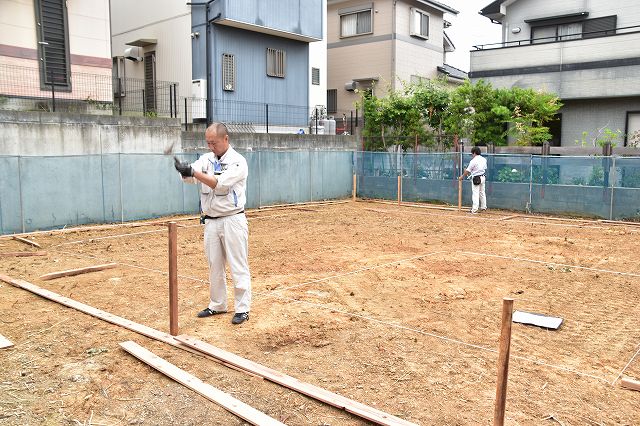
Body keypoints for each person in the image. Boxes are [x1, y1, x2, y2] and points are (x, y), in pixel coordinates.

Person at [173, 123, 251, 325]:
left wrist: (193, 172)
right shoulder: (205, 159)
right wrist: (184, 171)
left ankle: (242, 308)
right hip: (211, 220)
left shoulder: (238, 162)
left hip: (233, 219)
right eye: (208, 143)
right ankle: (218, 304)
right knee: (214, 265)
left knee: (237, 264)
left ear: (225, 139)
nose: (210, 147)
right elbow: (192, 179)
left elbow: (220, 183)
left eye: (214, 143)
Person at [458, 146, 487, 214]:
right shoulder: (484, 159)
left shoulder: (473, 161)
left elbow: (468, 171)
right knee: (482, 193)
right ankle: (483, 207)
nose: (472, 155)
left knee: (475, 194)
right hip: (482, 177)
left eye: (472, 153)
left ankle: (474, 209)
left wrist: (461, 177)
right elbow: (483, 168)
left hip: (476, 178)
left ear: (474, 153)